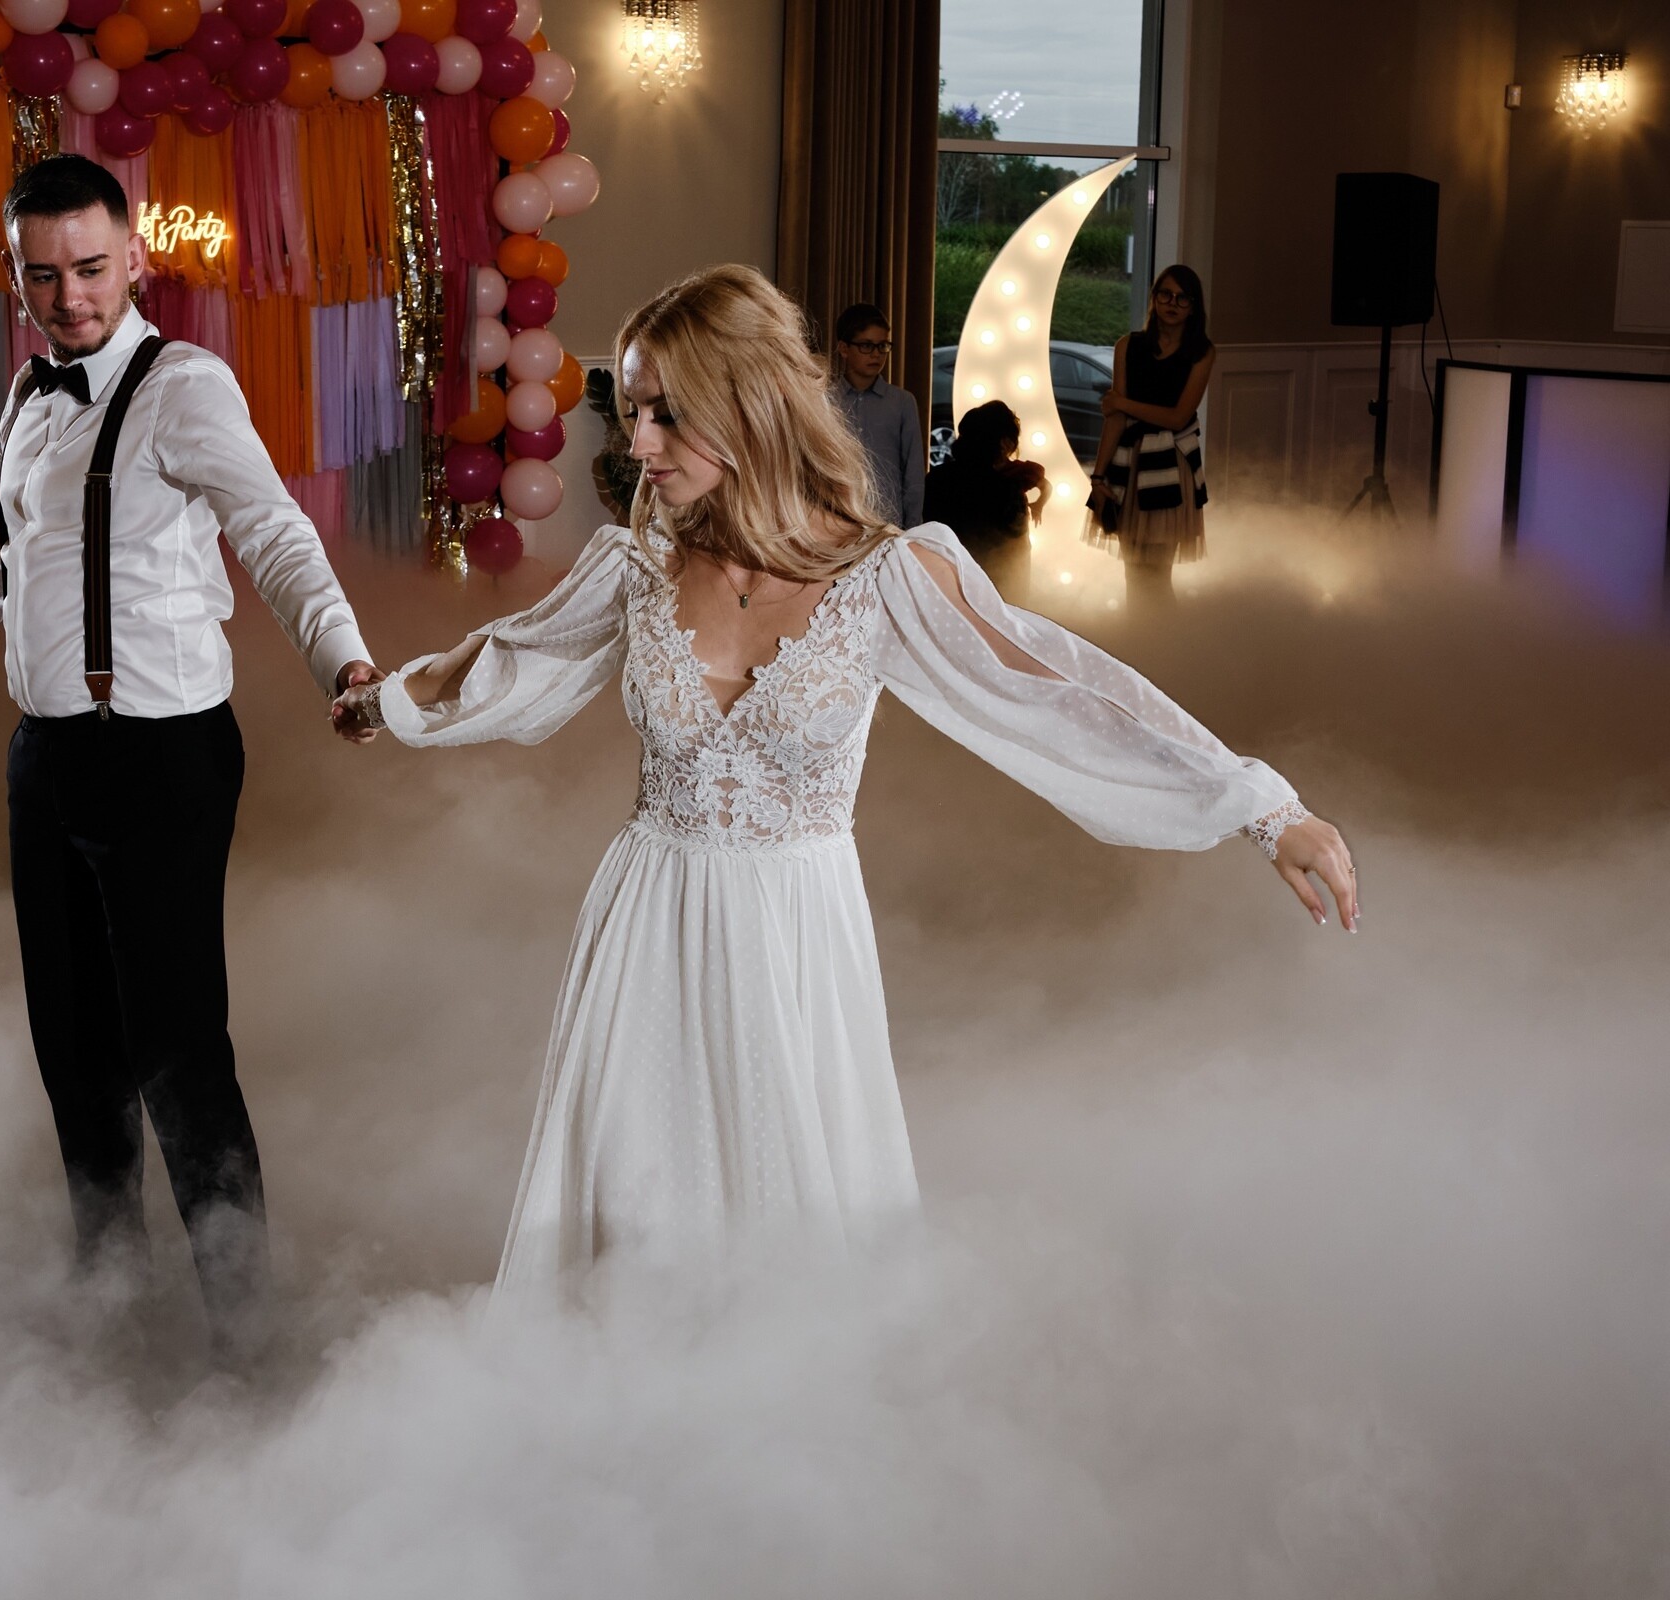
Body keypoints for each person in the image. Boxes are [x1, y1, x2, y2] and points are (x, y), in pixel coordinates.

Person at [333, 265, 1357, 1291]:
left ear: (749, 403)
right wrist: (386, 703)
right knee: (639, 1221)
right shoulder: (636, 565)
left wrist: (1261, 807)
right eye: (634, 410)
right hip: (650, 922)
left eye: (663, 413)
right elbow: (507, 657)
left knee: (790, 1245)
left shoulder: (887, 578)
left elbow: (1058, 693)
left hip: (800, 938)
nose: (637, 442)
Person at [0, 156, 378, 1350]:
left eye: (91, 268)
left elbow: (275, 532)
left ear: (134, 258)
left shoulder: (186, 387)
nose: (70, 296)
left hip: (165, 757)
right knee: (74, 1053)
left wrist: (343, 661)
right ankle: (112, 1308)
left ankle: (245, 1331)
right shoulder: (27, 393)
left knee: (177, 1055)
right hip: (46, 760)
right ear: (14, 277)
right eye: (44, 276)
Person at [1086, 264, 1215, 571]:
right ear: (1154, 298)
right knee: (1133, 571)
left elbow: (1177, 418)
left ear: (1193, 306)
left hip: (1170, 463)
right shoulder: (1127, 346)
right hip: (1129, 462)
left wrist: (1122, 403)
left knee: (1157, 571)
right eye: (1166, 294)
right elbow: (1114, 420)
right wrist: (1098, 477)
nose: (1173, 303)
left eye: (1182, 298)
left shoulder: (1202, 352)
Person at [923, 398, 1050, 591]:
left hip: (940, 589)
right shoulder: (1009, 489)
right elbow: (1016, 568)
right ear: (1003, 443)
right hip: (997, 594)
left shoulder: (936, 480)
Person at [829, 301, 924, 526]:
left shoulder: (902, 402)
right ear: (844, 348)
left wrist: (913, 529)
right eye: (866, 346)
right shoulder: (826, 399)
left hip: (887, 523)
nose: (876, 354)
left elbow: (913, 474)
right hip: (837, 521)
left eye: (883, 346)